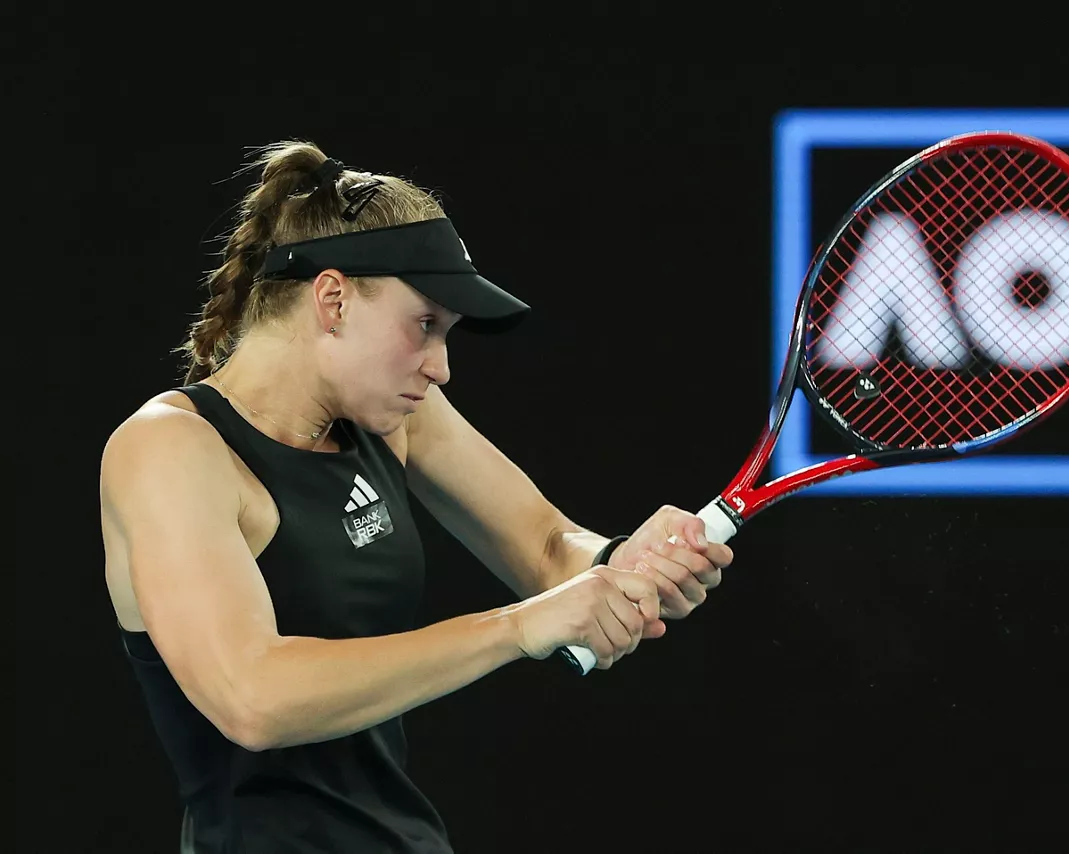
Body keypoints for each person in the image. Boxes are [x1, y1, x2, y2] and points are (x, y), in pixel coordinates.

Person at [99, 140, 734, 852]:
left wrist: (620, 562)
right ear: (332, 298)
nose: (440, 367)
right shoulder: (168, 449)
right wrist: (514, 629)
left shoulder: (392, 416)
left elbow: (548, 547)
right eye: (424, 325)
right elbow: (251, 698)